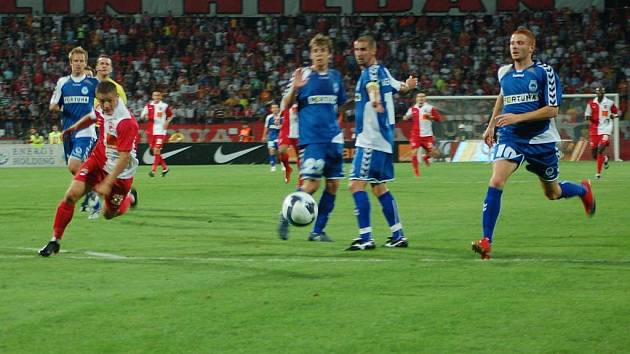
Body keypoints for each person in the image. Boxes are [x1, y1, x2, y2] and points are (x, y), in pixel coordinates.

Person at [472, 28, 595, 260]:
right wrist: (491, 126)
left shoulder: (544, 73)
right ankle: (486, 241)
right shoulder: (504, 72)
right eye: (511, 43)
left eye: (519, 43)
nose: (514, 46)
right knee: (496, 180)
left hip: (542, 140)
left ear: (531, 47)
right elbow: (503, 95)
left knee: (552, 192)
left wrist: (517, 117)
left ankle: (582, 190)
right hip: (511, 136)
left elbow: (552, 110)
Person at [39, 81, 139, 257]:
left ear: (117, 97)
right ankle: (55, 240)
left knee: (108, 214)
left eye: (109, 101)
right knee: (71, 195)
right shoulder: (101, 107)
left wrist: (108, 183)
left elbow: (124, 158)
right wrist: (75, 127)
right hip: (98, 160)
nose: (106, 105)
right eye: (102, 101)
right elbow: (93, 115)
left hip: (120, 173)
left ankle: (128, 197)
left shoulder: (126, 122)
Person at [346, 35, 417, 251]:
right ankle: (398, 235)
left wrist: (375, 100)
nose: (359, 53)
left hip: (371, 140)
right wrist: (410, 85)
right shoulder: (384, 71)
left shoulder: (371, 73)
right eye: (356, 49)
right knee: (379, 187)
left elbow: (373, 88)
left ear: (373, 51)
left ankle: (366, 238)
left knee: (356, 185)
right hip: (384, 140)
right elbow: (401, 87)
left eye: (364, 49)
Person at [278, 34, 348, 242]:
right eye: (315, 51)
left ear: (329, 54)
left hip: (334, 139)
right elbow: (285, 104)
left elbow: (341, 104)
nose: (319, 54)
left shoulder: (336, 77)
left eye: (322, 51)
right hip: (313, 140)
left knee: (333, 185)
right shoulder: (302, 75)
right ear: (311, 54)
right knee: (311, 185)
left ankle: (317, 231)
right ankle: (285, 213)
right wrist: (295, 89)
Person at [403, 92, 442, 176]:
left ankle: (425, 157)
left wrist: (430, 117)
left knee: (435, 153)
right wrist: (406, 117)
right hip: (416, 135)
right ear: (416, 98)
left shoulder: (430, 108)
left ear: (425, 98)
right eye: (419, 97)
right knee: (414, 153)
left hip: (427, 135)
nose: (420, 98)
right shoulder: (412, 108)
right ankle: (417, 173)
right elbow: (405, 117)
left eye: (422, 97)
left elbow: (439, 118)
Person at [585, 86, 619, 179]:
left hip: (606, 129)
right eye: (598, 92)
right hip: (594, 130)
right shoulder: (591, 103)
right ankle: (605, 159)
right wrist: (588, 117)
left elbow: (617, 112)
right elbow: (587, 115)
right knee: (594, 155)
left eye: (601, 92)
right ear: (596, 93)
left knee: (600, 149)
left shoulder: (610, 103)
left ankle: (598, 174)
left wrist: (614, 116)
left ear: (604, 93)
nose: (599, 93)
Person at [141, 90, 174, 177]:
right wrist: (145, 117)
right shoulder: (148, 106)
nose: (156, 97)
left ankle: (153, 170)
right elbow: (142, 116)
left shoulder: (164, 106)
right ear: (152, 96)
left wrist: (167, 122)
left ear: (161, 97)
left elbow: (171, 115)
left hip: (161, 131)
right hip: (151, 132)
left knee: (156, 150)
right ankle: (165, 168)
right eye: (155, 95)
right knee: (156, 151)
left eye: (158, 95)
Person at [277, 103, 300, 184]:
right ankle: (288, 168)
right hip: (286, 129)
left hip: (299, 129)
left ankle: (301, 179)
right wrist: (279, 119)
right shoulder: (287, 98)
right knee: (281, 151)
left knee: (300, 156)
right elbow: (281, 112)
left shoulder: (304, 96)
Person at [262, 103, 281, 172]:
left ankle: (283, 164)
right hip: (271, 136)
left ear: (278, 108)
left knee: (280, 152)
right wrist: (264, 136)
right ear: (271, 109)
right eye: (273, 108)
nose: (275, 109)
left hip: (280, 136)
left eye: (276, 107)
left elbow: (285, 127)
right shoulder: (269, 117)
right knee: (271, 151)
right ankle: (273, 166)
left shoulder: (282, 116)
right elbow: (266, 127)